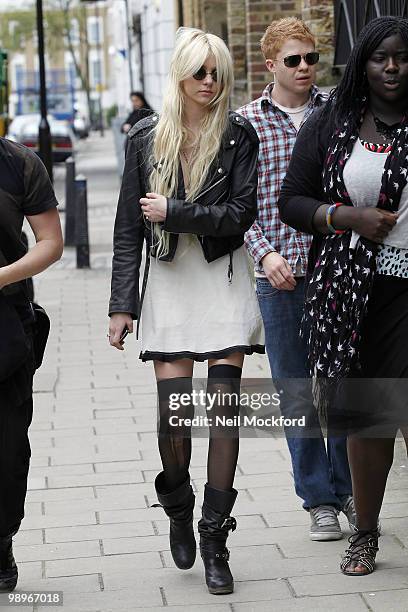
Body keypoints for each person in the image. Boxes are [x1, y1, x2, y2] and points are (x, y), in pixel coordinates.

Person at [108, 27, 264, 595]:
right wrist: (121, 306)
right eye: (199, 71)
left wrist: (174, 210)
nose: (209, 81)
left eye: (216, 71)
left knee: (223, 412)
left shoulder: (238, 134)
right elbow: (128, 229)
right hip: (170, 284)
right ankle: (178, 502)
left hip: (222, 278)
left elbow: (240, 214)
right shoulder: (146, 138)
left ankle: (216, 540)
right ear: (179, 73)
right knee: (175, 415)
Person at [279, 16, 408, 576]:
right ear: (363, 63)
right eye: (381, 58)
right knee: (369, 416)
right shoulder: (333, 120)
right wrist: (345, 216)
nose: (394, 67)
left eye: (403, 57)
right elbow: (292, 201)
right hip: (354, 293)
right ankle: (366, 533)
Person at [238, 16, 353, 541]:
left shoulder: (342, 111)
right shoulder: (246, 124)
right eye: (293, 60)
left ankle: (349, 485)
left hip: (337, 272)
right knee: (296, 392)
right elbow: (240, 206)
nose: (305, 67)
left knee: (343, 384)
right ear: (270, 65)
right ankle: (317, 498)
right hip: (278, 276)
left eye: (311, 58)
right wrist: (264, 257)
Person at [0, 139, 63, 591]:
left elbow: (51, 242)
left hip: (6, 325)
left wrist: (2, 276)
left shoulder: (20, 163)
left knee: (6, 449)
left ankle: (1, 538)